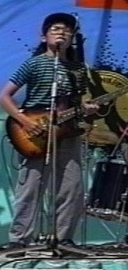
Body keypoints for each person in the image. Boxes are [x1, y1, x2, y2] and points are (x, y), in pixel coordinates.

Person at [0, 12, 99, 249]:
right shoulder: (34, 63)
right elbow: (5, 96)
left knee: (71, 187)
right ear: (44, 36)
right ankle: (19, 239)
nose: (61, 33)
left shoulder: (78, 68)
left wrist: (89, 109)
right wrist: (24, 121)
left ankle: (64, 238)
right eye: (55, 29)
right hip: (36, 133)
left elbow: (78, 104)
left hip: (67, 132)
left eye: (66, 30)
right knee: (31, 187)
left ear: (72, 37)